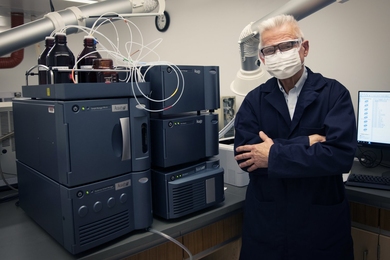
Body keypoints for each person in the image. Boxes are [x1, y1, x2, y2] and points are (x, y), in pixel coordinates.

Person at [234, 14, 356, 260]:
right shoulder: (254, 101)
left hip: (320, 225)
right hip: (268, 226)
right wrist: (307, 143)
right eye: (270, 50)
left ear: (304, 48)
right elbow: (247, 158)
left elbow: (340, 156)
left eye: (287, 45)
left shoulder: (334, 94)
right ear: (261, 58)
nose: (279, 54)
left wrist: (273, 154)